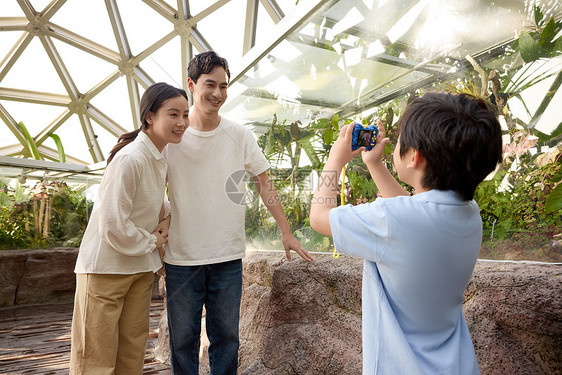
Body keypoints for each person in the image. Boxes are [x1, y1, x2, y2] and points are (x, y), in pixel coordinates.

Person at [310, 92, 503, 374]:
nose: (395, 144)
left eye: (400, 140)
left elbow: (318, 218)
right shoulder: (469, 213)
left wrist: (334, 162)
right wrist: (374, 164)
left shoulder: (394, 220)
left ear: (414, 156)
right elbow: (411, 213)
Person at [163, 50, 314, 374]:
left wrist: (286, 233)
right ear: (191, 84)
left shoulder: (239, 135)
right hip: (181, 259)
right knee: (182, 343)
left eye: (224, 86)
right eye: (210, 85)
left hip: (227, 258)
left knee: (227, 339)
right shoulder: (173, 135)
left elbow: (265, 185)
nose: (218, 93)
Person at [70, 82, 190, 374]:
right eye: (173, 114)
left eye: (185, 115)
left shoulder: (158, 158)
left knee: (131, 354)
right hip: (105, 270)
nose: (182, 123)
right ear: (150, 116)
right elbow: (113, 223)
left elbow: (154, 205)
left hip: (137, 270)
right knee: (94, 359)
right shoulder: (130, 158)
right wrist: (153, 240)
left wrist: (166, 223)